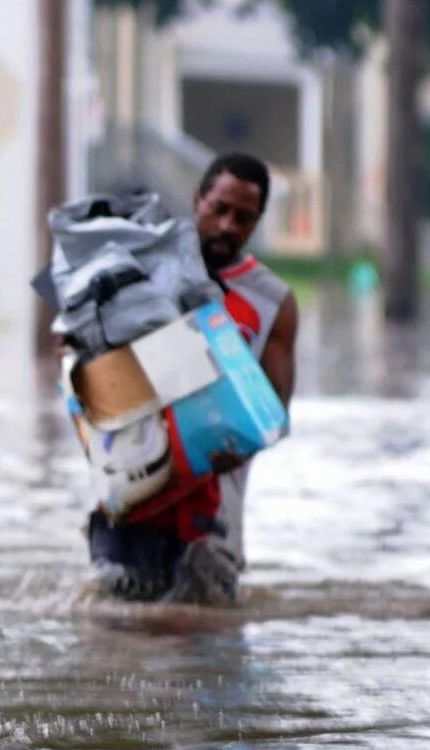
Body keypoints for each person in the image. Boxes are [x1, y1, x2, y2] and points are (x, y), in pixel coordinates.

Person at [87, 151, 298, 605]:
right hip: (135, 490)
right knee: (112, 638)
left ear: (257, 222)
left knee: (203, 646)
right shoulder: (138, 272)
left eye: (243, 218)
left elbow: (275, 413)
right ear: (198, 199)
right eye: (218, 209)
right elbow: (78, 364)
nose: (227, 226)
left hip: (213, 512)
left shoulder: (273, 301)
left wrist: (241, 441)